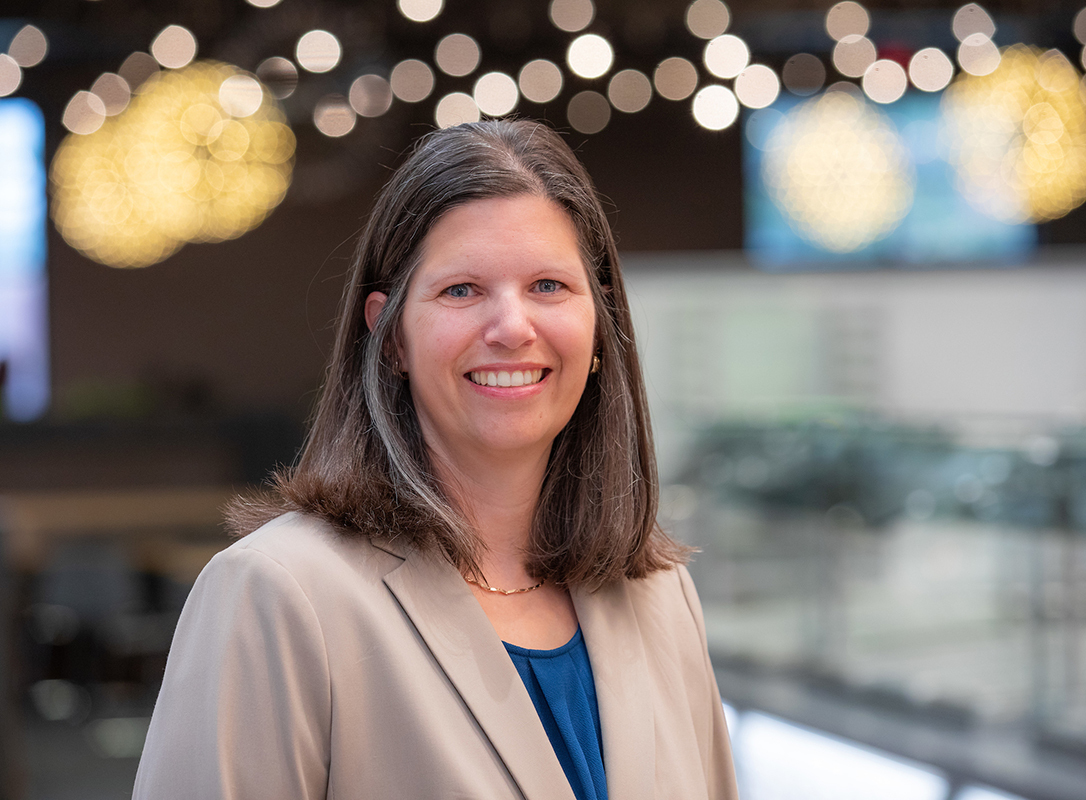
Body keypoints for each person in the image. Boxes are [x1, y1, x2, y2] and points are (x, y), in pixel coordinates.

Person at [132, 119, 739, 799]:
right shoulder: (278, 594)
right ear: (390, 338)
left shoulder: (659, 595)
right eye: (461, 290)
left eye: (548, 286)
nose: (512, 327)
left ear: (598, 324)